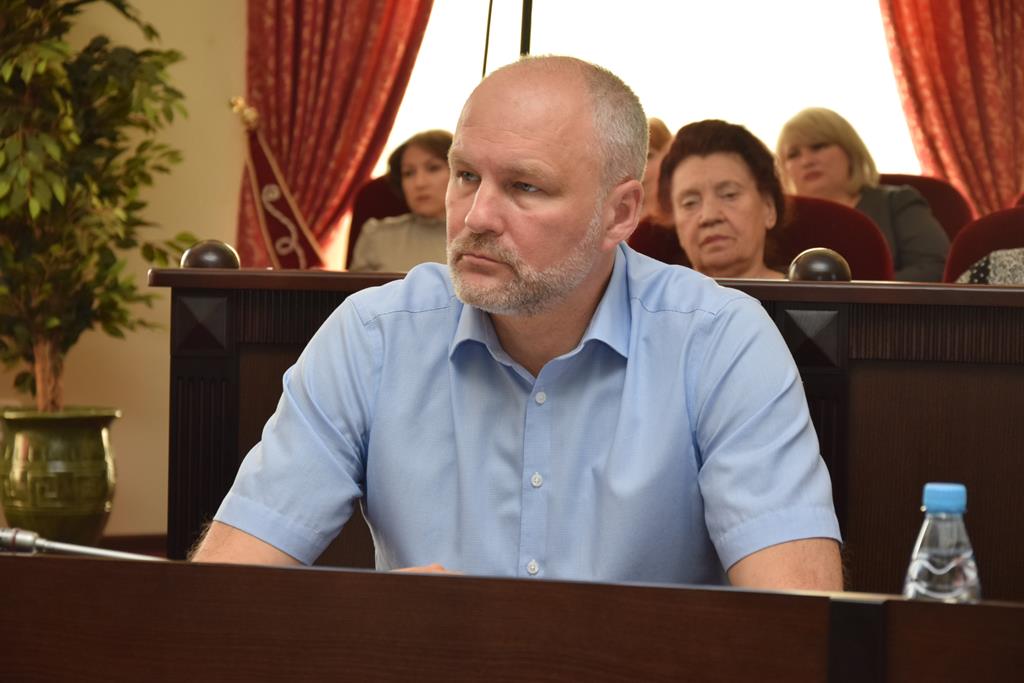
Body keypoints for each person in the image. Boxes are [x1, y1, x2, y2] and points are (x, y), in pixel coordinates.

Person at [192, 56, 842, 591]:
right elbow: (221, 595)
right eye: (466, 176)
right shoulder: (373, 336)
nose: (476, 216)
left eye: (526, 187)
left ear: (620, 213)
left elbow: (799, 623)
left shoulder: (720, 340)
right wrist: (366, 621)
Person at [776, 108, 949, 281]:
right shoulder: (780, 223)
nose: (807, 161)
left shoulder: (896, 202)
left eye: (818, 146)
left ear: (850, 151)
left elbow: (935, 268)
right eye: (793, 155)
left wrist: (857, 293)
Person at [659, 119, 786, 279]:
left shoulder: (809, 293)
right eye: (690, 203)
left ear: (769, 208)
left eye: (729, 195)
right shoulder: (651, 294)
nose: (709, 216)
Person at [348, 129, 452, 272]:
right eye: (408, 173)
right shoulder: (377, 236)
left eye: (433, 168)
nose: (419, 183)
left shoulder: (481, 237)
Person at [628, 117, 688, 265]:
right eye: (629, 161)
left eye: (648, 156)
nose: (639, 168)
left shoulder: (682, 223)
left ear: (669, 155)